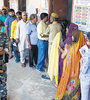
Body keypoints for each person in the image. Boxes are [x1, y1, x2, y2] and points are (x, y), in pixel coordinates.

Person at [55, 30, 86, 100]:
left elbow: (63, 56)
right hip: (77, 73)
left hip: (68, 72)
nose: (71, 37)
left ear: (74, 37)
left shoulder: (69, 46)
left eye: (72, 36)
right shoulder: (83, 49)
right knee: (75, 86)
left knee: (66, 85)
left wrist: (61, 49)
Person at [79, 32, 90, 100]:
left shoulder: (88, 53)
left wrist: (81, 62)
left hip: (86, 78)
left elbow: (84, 70)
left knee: (85, 97)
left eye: (87, 40)